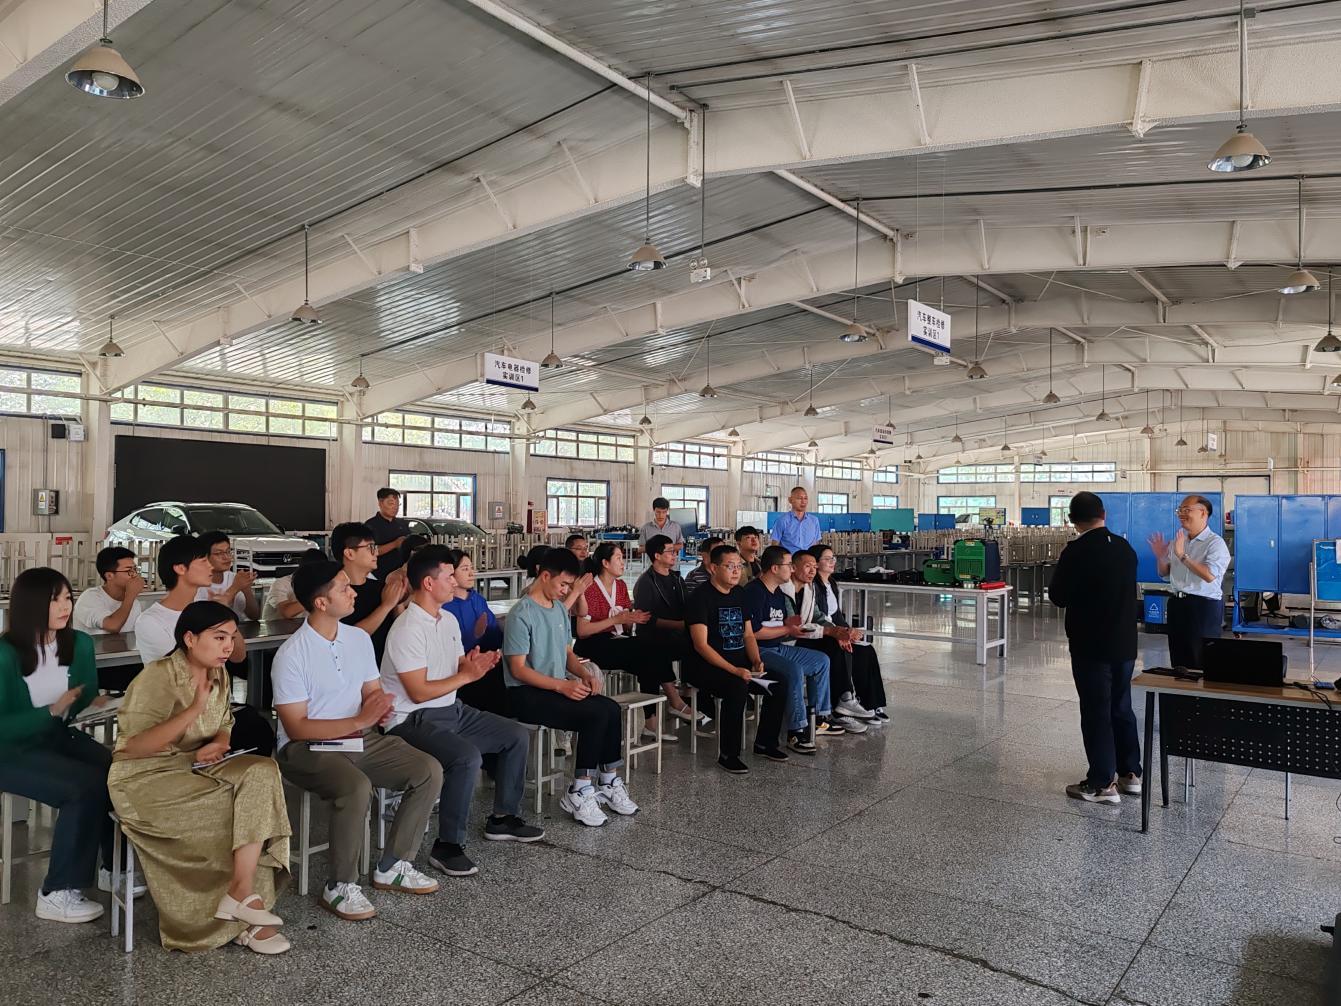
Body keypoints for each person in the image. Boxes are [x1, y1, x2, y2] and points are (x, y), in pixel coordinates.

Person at [109, 601, 291, 954]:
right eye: (219, 637)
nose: (228, 647)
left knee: (263, 772)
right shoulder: (158, 676)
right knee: (235, 809)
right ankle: (233, 921)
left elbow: (225, 721)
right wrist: (193, 709)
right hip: (144, 778)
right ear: (190, 639)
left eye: (232, 638)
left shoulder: (217, 673)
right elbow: (134, 746)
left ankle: (241, 892)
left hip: (193, 765)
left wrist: (220, 742)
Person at [273, 560, 442, 921]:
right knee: (356, 786)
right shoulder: (291, 654)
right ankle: (340, 885)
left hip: (357, 737)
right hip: (305, 748)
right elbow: (296, 727)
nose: (354, 593)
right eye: (344, 588)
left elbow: (371, 691)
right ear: (321, 603)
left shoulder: (358, 639)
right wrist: (361, 719)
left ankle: (394, 865)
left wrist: (379, 707)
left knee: (428, 770)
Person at [382, 546, 544, 878]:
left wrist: (475, 665)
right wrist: (466, 675)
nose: (455, 581)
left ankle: (503, 818)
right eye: (448, 576)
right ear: (428, 583)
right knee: (466, 757)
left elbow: (457, 666)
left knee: (515, 735)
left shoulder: (448, 620)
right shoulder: (407, 627)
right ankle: (448, 846)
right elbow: (418, 691)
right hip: (410, 719)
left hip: (450, 710)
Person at [0, 568, 139, 924]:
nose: (65, 607)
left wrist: (98, 704)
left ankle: (114, 868)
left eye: (67, 598)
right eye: (55, 600)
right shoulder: (4, 654)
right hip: (10, 750)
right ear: (31, 604)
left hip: (56, 737)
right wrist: (50, 711)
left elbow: (83, 696)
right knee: (82, 788)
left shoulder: (78, 644)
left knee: (118, 771)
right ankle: (57, 892)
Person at [502, 547, 637, 828]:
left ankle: (608, 780)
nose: (566, 591)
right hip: (525, 693)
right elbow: (518, 669)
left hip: (554, 687)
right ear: (545, 576)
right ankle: (580, 789)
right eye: (563, 585)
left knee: (610, 709)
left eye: (569, 586)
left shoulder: (558, 611)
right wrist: (562, 686)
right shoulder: (521, 613)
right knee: (594, 715)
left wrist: (584, 674)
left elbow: (567, 653)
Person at [1050, 492, 1141, 805]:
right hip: (1125, 644)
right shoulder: (1125, 548)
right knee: (1121, 706)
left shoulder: (1076, 551)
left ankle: (1102, 783)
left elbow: (1058, 596)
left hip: (1092, 645)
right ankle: (1130, 773)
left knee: (1096, 710)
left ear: (1072, 520)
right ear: (1104, 514)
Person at [683, 544, 788, 773]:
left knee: (779, 683)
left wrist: (756, 660)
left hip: (740, 664)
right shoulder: (700, 598)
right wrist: (735, 670)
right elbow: (701, 645)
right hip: (705, 667)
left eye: (739, 566)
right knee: (737, 687)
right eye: (729, 566)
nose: (736, 571)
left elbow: (748, 634)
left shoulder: (740, 594)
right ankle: (728, 754)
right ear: (713, 568)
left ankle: (765, 743)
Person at [744, 546, 840, 754]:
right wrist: (788, 629)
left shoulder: (779, 593)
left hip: (777, 647)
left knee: (821, 661)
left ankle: (819, 717)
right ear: (775, 568)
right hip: (760, 650)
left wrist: (792, 626)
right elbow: (754, 632)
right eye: (788, 565)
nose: (791, 569)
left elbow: (782, 625)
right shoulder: (754, 592)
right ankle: (796, 730)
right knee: (793, 669)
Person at [573, 542, 671, 743]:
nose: (623, 562)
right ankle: (668, 704)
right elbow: (582, 631)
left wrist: (631, 619)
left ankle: (651, 720)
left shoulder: (621, 586)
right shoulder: (591, 589)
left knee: (652, 654)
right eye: (618, 558)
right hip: (593, 644)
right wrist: (616, 619)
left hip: (617, 640)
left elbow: (625, 625)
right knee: (648, 651)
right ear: (605, 563)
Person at [783, 550, 869, 733]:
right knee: (828, 649)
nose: (812, 571)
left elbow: (818, 616)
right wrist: (831, 632)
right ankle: (831, 709)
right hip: (787, 642)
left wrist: (840, 632)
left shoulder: (808, 589)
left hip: (803, 637)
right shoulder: (783, 591)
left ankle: (850, 701)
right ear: (793, 567)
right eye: (808, 566)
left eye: (814, 567)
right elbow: (793, 627)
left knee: (856, 648)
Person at [632, 534, 712, 731]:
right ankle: (674, 703)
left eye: (675, 551)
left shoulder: (676, 578)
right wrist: (679, 625)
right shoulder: (646, 582)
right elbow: (647, 619)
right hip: (654, 635)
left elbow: (687, 606)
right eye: (670, 551)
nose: (675, 555)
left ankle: (693, 694)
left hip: (678, 634)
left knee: (703, 645)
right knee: (653, 653)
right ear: (657, 555)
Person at [137, 535, 247, 668]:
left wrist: (223, 614)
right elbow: (177, 669)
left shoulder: (206, 609)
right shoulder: (151, 621)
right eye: (203, 561)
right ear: (181, 568)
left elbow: (238, 656)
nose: (210, 566)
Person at [1148, 494, 1229, 670]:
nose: (1181, 514)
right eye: (1180, 510)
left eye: (1187, 510)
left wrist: (1182, 555)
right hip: (1177, 604)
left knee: (1200, 659)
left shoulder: (1215, 544)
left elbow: (1209, 575)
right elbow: (1165, 574)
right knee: (1179, 659)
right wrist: (1161, 557)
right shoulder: (1178, 541)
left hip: (1202, 607)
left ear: (1203, 513)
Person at [811, 544, 888, 722]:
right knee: (841, 649)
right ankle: (843, 700)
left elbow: (837, 615)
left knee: (866, 650)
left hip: (836, 630)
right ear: (816, 563)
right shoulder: (813, 586)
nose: (832, 562)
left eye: (833, 558)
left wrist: (849, 630)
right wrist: (841, 633)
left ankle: (870, 703)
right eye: (827, 559)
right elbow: (818, 617)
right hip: (823, 635)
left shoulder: (831, 583)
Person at [332, 521, 408, 663]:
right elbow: (350, 638)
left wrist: (398, 600)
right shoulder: (333, 593)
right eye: (370, 548)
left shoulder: (381, 588)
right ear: (349, 553)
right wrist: (386, 606)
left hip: (383, 668)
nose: (376, 552)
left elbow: (401, 630)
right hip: (352, 668)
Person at [443, 550, 506, 715]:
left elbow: (494, 636)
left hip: (487, 665)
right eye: (465, 569)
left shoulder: (478, 600)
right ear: (450, 573)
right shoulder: (444, 606)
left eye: (471, 568)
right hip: (460, 672)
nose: (471, 573)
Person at [72, 546, 144, 635]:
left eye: (135, 569)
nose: (135, 575)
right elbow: (113, 626)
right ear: (109, 576)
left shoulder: (134, 603)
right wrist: (131, 595)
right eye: (128, 571)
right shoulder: (90, 597)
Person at [197, 531, 260, 621]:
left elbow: (254, 616)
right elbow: (210, 620)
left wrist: (247, 590)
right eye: (219, 553)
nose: (226, 557)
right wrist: (235, 588)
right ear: (204, 557)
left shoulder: (234, 578)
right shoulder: (196, 583)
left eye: (228, 551)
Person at [260, 550, 324, 622]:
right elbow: (287, 612)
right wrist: (315, 598)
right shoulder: (281, 583)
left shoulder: (321, 584)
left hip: (303, 627)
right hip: (277, 628)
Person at [368, 488, 413, 580]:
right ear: (380, 503)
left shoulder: (402, 524)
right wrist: (395, 544)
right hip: (379, 575)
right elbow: (369, 551)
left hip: (402, 574)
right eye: (391, 503)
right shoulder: (370, 525)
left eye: (397, 504)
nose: (395, 508)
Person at [772, 487, 821, 555]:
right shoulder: (782, 520)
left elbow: (816, 543)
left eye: (805, 498)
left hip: (808, 559)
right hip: (790, 559)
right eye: (799, 498)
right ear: (790, 500)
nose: (803, 502)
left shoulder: (814, 521)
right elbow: (775, 545)